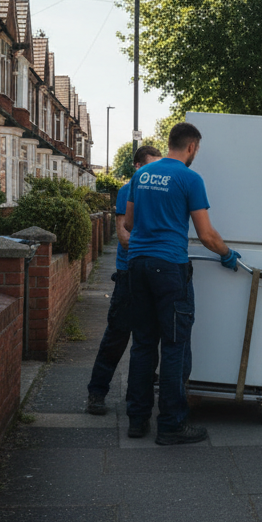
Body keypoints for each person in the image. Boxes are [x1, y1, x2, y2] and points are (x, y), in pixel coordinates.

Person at [123, 123, 239, 445]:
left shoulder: (141, 175)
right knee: (175, 345)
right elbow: (206, 234)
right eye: (196, 150)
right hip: (169, 268)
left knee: (143, 343)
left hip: (137, 265)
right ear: (191, 147)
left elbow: (129, 223)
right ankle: (171, 424)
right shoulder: (190, 178)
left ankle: (137, 419)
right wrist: (228, 254)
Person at [85, 145, 161, 416]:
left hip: (151, 273)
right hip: (129, 273)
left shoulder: (158, 189)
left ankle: (137, 394)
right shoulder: (129, 190)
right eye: (151, 166)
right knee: (117, 334)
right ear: (138, 166)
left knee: (149, 337)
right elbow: (124, 237)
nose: (155, 172)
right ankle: (97, 391)